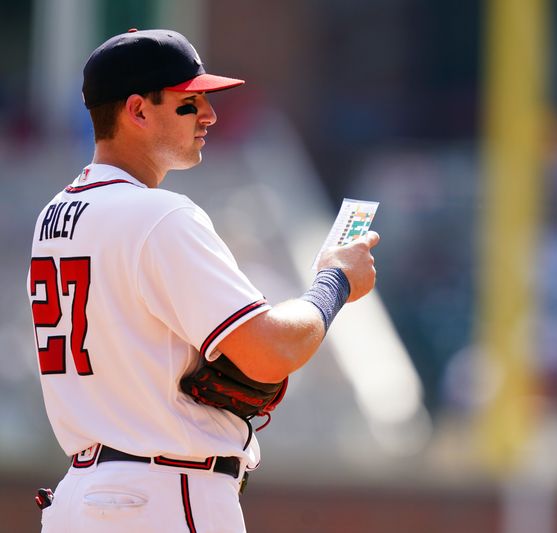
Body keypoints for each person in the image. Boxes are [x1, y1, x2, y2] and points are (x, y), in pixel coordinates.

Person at [27, 28, 379, 532]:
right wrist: (335, 281)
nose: (210, 115)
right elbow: (272, 350)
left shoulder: (53, 218)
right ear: (138, 111)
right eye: (190, 102)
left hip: (81, 500)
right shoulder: (158, 216)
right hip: (166, 495)